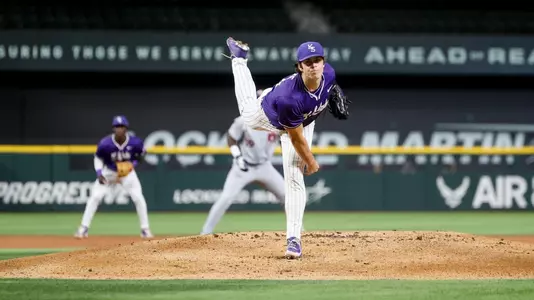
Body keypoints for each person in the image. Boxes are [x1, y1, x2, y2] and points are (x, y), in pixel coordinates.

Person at [224, 37, 349, 259]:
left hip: (303, 120)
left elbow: (328, 85)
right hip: (270, 116)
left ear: (324, 62)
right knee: (247, 113)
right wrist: (311, 161)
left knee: (293, 178)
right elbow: (296, 139)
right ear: (299, 66)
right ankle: (239, 60)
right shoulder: (289, 99)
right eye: (307, 61)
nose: (313, 65)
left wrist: (332, 92)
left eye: (317, 60)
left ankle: (293, 239)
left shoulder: (329, 74)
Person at [201, 97, 285, 235]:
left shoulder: (278, 121)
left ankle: (299, 231)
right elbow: (231, 137)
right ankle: (205, 233)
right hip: (243, 166)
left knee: (287, 196)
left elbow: (285, 140)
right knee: (226, 198)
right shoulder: (244, 120)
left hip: (265, 166)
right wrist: (237, 155)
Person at [74, 115, 154, 239]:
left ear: (126, 128)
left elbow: (142, 153)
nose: (119, 129)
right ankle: (83, 228)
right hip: (109, 172)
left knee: (139, 198)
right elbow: (98, 158)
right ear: (113, 128)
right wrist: (99, 173)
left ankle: (145, 229)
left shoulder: (135, 142)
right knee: (95, 197)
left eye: (122, 126)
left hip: (127, 174)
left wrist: (134, 163)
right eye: (117, 126)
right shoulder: (105, 143)